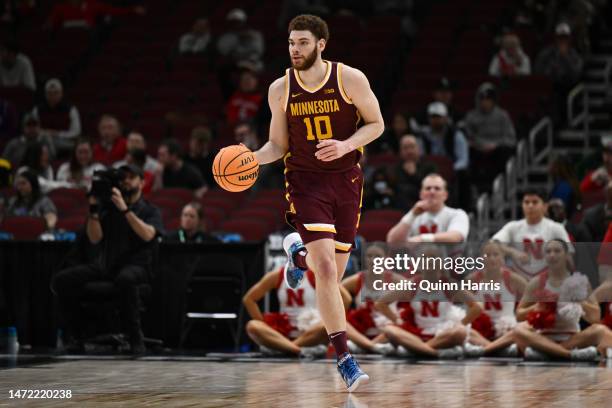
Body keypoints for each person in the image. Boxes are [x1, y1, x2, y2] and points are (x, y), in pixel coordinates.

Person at [252, 15, 385, 391]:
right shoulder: (280, 89)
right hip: (305, 182)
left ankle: (296, 256)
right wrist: (250, 159)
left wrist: (346, 145)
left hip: (346, 181)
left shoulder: (350, 79)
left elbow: (376, 124)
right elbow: (277, 146)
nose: (296, 49)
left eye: (304, 43)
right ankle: (345, 358)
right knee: (326, 271)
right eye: (292, 43)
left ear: (321, 44)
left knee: (332, 277)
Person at [50, 163, 163, 354]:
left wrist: (125, 209)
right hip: (107, 264)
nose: (126, 181)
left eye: (131, 177)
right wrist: (94, 210)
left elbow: (148, 235)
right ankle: (76, 336)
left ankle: (136, 338)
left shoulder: (150, 210)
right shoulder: (107, 208)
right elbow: (95, 239)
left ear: (142, 182)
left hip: (137, 265)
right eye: (123, 178)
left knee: (125, 279)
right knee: (61, 280)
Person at [376, 245, 482, 358]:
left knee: (460, 332)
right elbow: (381, 303)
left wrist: (461, 323)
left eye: (433, 258)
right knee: (389, 329)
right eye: (425, 258)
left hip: (443, 333)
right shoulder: (412, 284)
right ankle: (436, 353)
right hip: (416, 333)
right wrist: (397, 320)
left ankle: (417, 349)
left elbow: (477, 307)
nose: (429, 262)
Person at [512, 239, 609, 361]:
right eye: (548, 251)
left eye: (557, 251)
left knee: (600, 330)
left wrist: (580, 301)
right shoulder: (537, 282)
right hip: (543, 338)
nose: (552, 255)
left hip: (572, 338)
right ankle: (568, 354)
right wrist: (538, 306)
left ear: (567, 255)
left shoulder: (580, 281)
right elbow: (519, 315)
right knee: (519, 329)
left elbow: (595, 317)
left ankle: (548, 353)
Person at [492, 189, 572, 279]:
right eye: (526, 202)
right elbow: (493, 244)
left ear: (545, 206)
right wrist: (512, 252)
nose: (530, 206)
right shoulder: (512, 227)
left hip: (549, 280)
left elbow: (569, 255)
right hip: (519, 281)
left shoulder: (556, 228)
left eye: (535, 202)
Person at [467, 241, 527, 356]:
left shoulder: (514, 279)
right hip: (481, 330)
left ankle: (486, 349)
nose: (492, 259)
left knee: (519, 331)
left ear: (502, 258)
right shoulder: (472, 280)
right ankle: (499, 349)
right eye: (487, 255)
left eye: (495, 254)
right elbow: (468, 309)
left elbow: (531, 299)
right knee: (465, 331)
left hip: (506, 329)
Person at [386, 174, 469, 246]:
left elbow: (456, 237)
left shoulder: (457, 214)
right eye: (428, 188)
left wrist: (423, 239)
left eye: (437, 188)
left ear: (445, 195)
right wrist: (412, 214)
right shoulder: (413, 216)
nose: (432, 192)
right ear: (421, 194)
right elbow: (392, 241)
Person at [464, 82, 516, 189]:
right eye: (482, 99)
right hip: (477, 149)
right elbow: (467, 136)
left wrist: (495, 145)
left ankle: (502, 186)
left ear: (494, 100)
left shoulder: (503, 116)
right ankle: (474, 189)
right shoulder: (471, 116)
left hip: (497, 150)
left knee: (504, 153)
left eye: (488, 99)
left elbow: (511, 139)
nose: (485, 102)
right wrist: (478, 144)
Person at [31, 78, 82, 153]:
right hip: (42, 142)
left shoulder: (71, 109)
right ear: (45, 94)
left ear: (61, 93)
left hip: (65, 142)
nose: (53, 96)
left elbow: (76, 132)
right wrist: (45, 133)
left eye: (56, 93)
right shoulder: (37, 109)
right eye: (50, 93)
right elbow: (32, 129)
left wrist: (58, 134)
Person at [392, 134, 437, 211]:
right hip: (401, 210)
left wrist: (414, 175)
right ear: (400, 151)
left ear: (419, 149)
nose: (409, 151)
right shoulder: (395, 169)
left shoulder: (430, 167)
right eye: (405, 148)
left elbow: (431, 189)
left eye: (412, 147)